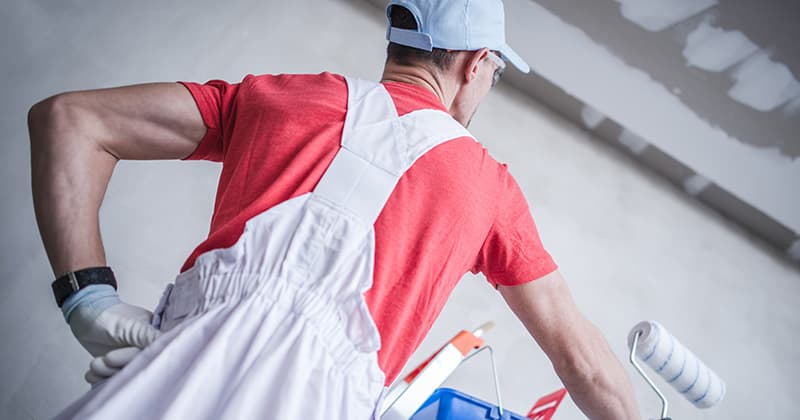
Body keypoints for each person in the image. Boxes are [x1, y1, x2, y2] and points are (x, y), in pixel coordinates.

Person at [28, 0, 640, 419]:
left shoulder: (277, 99)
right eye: (494, 71)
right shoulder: (489, 189)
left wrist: (90, 301)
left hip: (176, 363)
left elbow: (70, 118)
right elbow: (581, 358)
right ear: (476, 62)